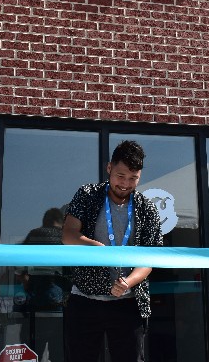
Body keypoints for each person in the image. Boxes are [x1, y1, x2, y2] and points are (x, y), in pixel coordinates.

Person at [62, 140, 163, 362]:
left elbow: (150, 258)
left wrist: (129, 282)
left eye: (133, 178)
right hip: (85, 298)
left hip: (128, 302)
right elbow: (68, 235)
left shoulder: (147, 208)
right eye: (120, 175)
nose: (126, 183)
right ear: (109, 168)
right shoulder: (87, 194)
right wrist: (97, 249)